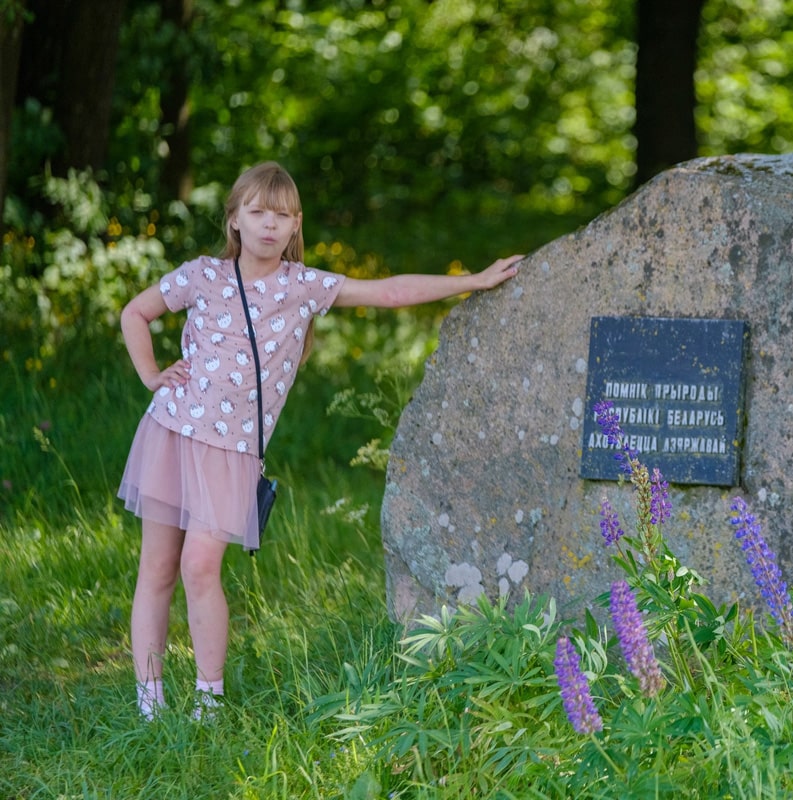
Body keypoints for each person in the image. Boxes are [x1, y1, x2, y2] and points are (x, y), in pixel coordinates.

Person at [117, 161, 523, 720]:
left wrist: (472, 281)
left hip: (231, 452)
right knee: (157, 568)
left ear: (295, 224)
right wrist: (151, 375)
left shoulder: (302, 287)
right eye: (256, 212)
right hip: (170, 432)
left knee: (199, 567)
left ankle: (207, 704)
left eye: (281, 216)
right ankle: (149, 702)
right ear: (234, 219)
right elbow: (136, 312)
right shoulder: (203, 275)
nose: (268, 225)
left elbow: (389, 291)